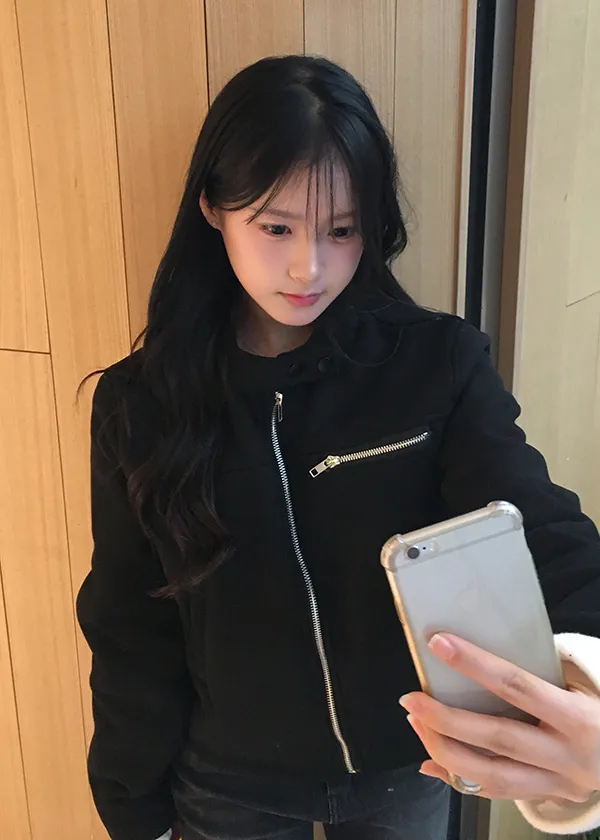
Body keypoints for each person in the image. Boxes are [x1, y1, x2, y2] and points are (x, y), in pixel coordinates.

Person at [75, 55, 600, 840]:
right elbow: (127, 625)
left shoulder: (437, 364)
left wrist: (588, 676)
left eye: (342, 230)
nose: (308, 266)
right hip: (226, 781)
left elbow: (542, 530)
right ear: (214, 208)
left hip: (409, 762)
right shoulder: (141, 403)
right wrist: (133, 810)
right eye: (276, 227)